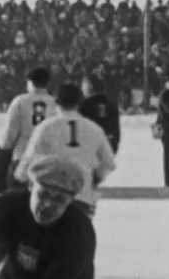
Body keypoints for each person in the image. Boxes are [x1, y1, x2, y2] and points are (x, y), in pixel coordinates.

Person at [14, 83, 117, 218]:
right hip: (83, 197)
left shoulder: (46, 127)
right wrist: (94, 179)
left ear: (56, 102)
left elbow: (28, 161)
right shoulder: (94, 129)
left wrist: (21, 179)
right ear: (80, 102)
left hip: (51, 198)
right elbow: (109, 163)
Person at [0, 67, 55, 193]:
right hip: (48, 160)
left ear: (30, 82)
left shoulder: (20, 101)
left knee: (16, 201)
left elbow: (9, 136)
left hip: (23, 158)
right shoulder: (55, 104)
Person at [79, 74, 121, 154]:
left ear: (90, 86)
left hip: (89, 152)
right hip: (108, 151)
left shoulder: (84, 106)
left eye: (83, 85)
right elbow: (116, 134)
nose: (82, 88)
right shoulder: (112, 105)